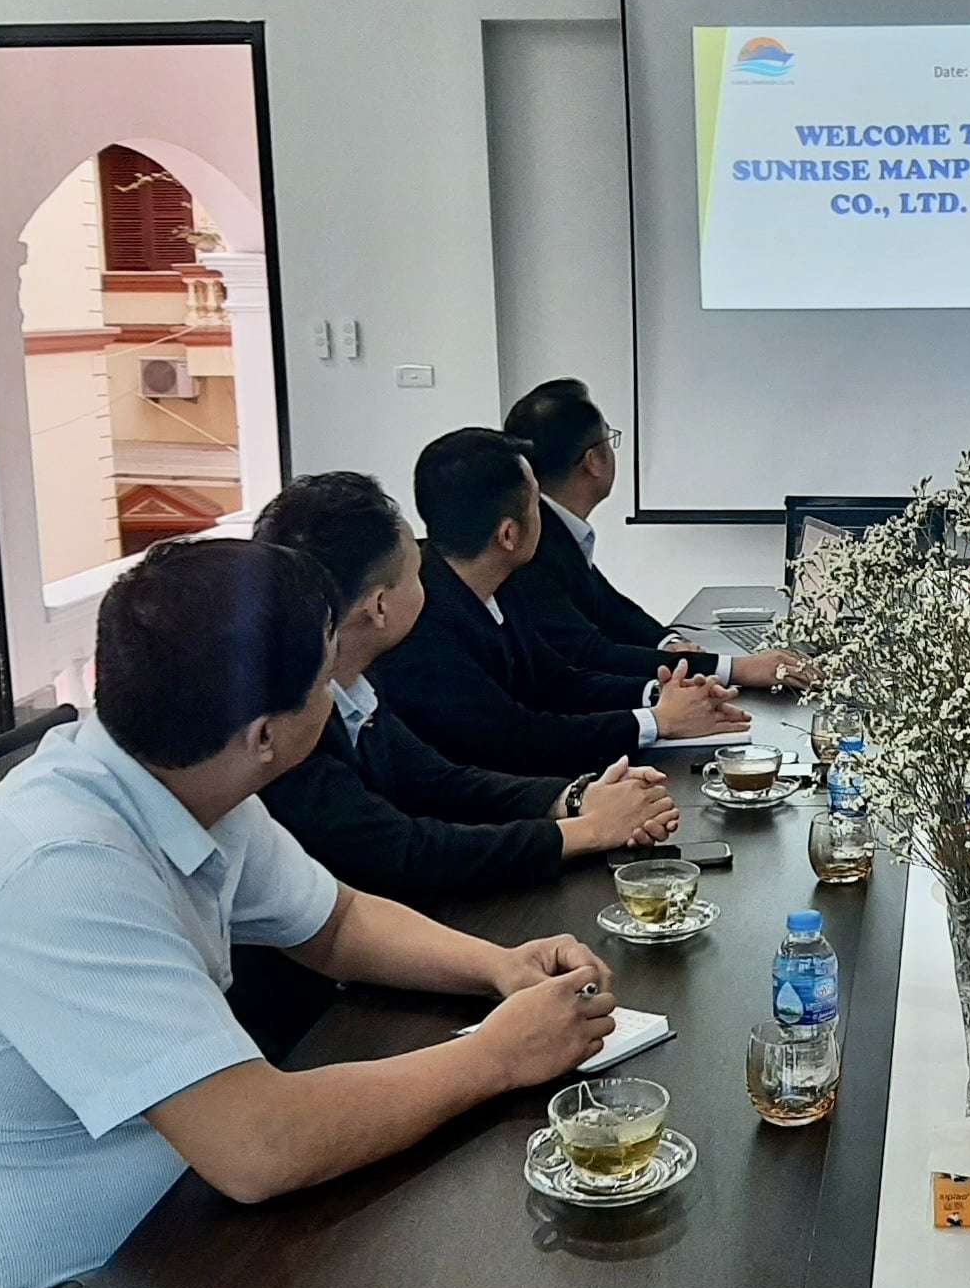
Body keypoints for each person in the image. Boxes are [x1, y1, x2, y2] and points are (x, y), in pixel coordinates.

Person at [0, 537, 617, 1288]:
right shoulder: (57, 870)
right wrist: (496, 1056)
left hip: (174, 1243)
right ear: (265, 735)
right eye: (324, 680)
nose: (337, 695)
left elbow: (335, 923)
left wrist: (495, 966)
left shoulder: (176, 779)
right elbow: (258, 1145)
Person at [252, 471, 680, 903]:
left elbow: (440, 781)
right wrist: (588, 830)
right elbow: (405, 853)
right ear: (379, 607)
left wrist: (575, 798)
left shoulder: (354, 679)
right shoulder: (287, 722)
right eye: (417, 573)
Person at [368, 429, 752, 775]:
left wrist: (661, 695)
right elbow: (517, 737)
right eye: (537, 503)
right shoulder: (421, 624)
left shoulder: (499, 582)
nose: (546, 517)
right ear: (508, 535)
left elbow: (558, 681)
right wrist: (657, 721)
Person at [500, 378, 811, 690]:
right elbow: (589, 654)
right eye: (608, 438)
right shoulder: (531, 545)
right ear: (594, 461)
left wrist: (668, 643)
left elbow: (610, 608)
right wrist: (736, 668)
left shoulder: (554, 527)